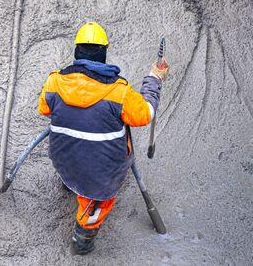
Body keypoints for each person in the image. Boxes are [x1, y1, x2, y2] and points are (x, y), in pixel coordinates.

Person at [38, 21, 169, 254]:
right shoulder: (120, 92)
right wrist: (154, 79)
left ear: (77, 51)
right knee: (97, 203)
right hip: (101, 172)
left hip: (63, 158)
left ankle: (70, 183)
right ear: (103, 53)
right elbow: (146, 113)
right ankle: (83, 239)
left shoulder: (54, 82)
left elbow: (45, 109)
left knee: (73, 166)